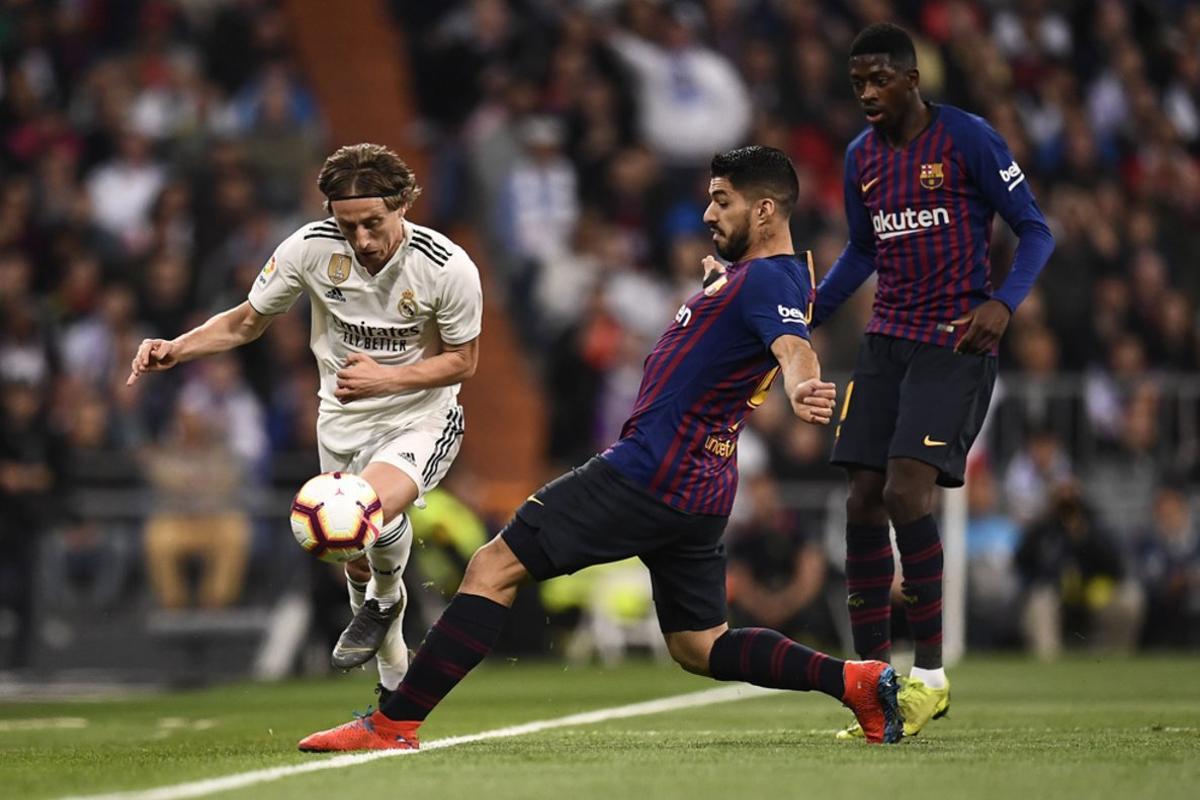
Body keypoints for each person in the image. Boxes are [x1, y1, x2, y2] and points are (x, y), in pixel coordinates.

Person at [297, 145, 904, 752]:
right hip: (702, 484)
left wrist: (802, 387)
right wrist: (719, 293)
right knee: (700, 645)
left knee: (492, 567)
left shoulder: (767, 280)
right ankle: (856, 681)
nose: (708, 214)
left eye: (723, 201)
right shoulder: (762, 278)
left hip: (650, 470)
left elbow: (793, 347)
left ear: (765, 210)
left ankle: (392, 724)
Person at [127, 143, 483, 705]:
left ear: (403, 205)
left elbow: (463, 361)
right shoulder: (309, 249)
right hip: (340, 421)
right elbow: (247, 322)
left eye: (373, 223)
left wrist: (386, 379)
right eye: (347, 225)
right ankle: (393, 689)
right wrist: (177, 347)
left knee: (360, 510)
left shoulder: (446, 267)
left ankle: (384, 601)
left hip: (420, 417)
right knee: (349, 549)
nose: (361, 239)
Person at [810, 24, 1055, 739]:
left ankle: (931, 678)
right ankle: (873, 685)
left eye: (879, 79)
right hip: (885, 342)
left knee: (904, 490)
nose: (866, 93)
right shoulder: (860, 158)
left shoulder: (968, 138)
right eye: (857, 82)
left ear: (913, 80)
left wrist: (1003, 303)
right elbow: (862, 251)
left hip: (954, 341)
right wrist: (805, 314)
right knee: (861, 498)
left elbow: (1036, 229)